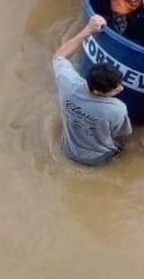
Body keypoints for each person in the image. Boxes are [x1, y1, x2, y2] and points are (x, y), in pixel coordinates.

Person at [52, 14, 132, 166]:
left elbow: (59, 56)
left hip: (68, 149)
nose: (121, 88)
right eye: (115, 89)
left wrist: (88, 29)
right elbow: (121, 133)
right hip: (98, 158)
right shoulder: (117, 109)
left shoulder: (68, 84)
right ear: (97, 92)